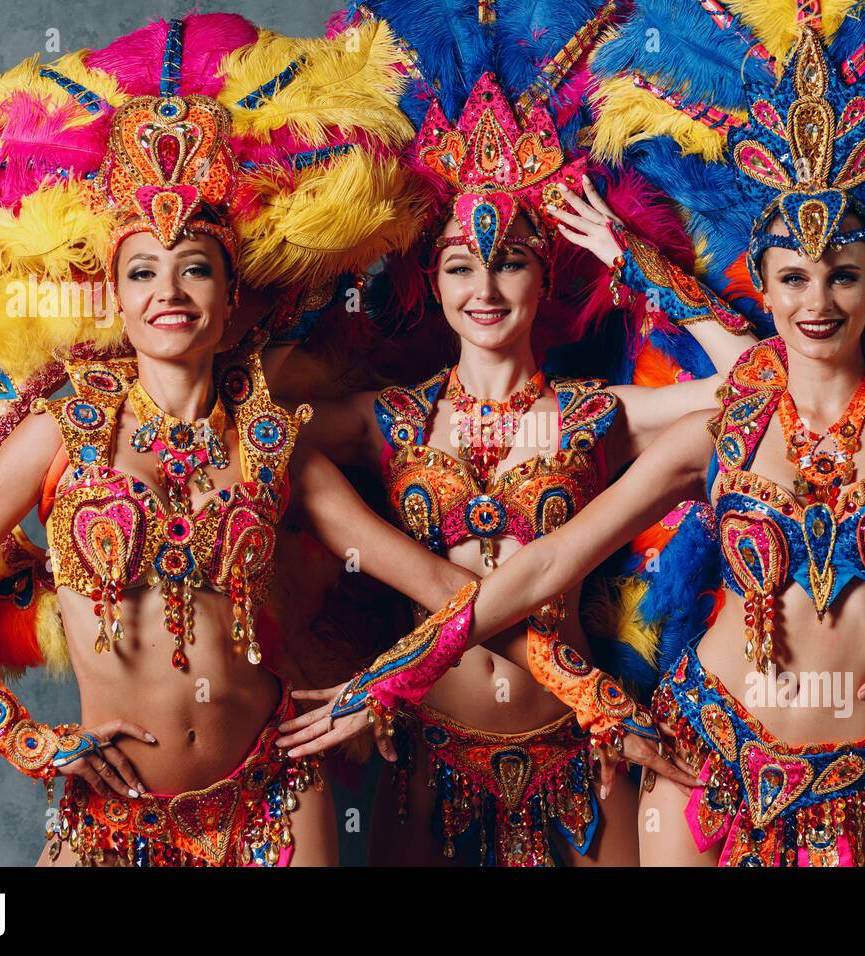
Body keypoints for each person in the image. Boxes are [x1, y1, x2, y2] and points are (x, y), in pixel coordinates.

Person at [287, 23, 865, 867]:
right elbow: (547, 565)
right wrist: (398, 671)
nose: (819, 302)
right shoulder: (727, 426)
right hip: (707, 766)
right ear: (764, 289)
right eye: (794, 279)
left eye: (842, 275)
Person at [0, 13, 467, 867]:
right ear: (117, 297)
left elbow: (449, 590)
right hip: (109, 811)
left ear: (226, 304)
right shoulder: (59, 432)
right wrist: (25, 739)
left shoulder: (271, 445)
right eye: (143, 270)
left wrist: (379, 691)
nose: (167, 290)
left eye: (195, 269)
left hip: (276, 802)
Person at [275, 2, 756, 866]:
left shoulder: (597, 416)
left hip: (584, 755)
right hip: (425, 758)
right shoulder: (386, 421)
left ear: (546, 275)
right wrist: (301, 269)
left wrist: (627, 256)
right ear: (435, 278)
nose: (484, 286)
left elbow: (756, 385)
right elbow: (261, 432)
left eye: (511, 261)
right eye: (462, 264)